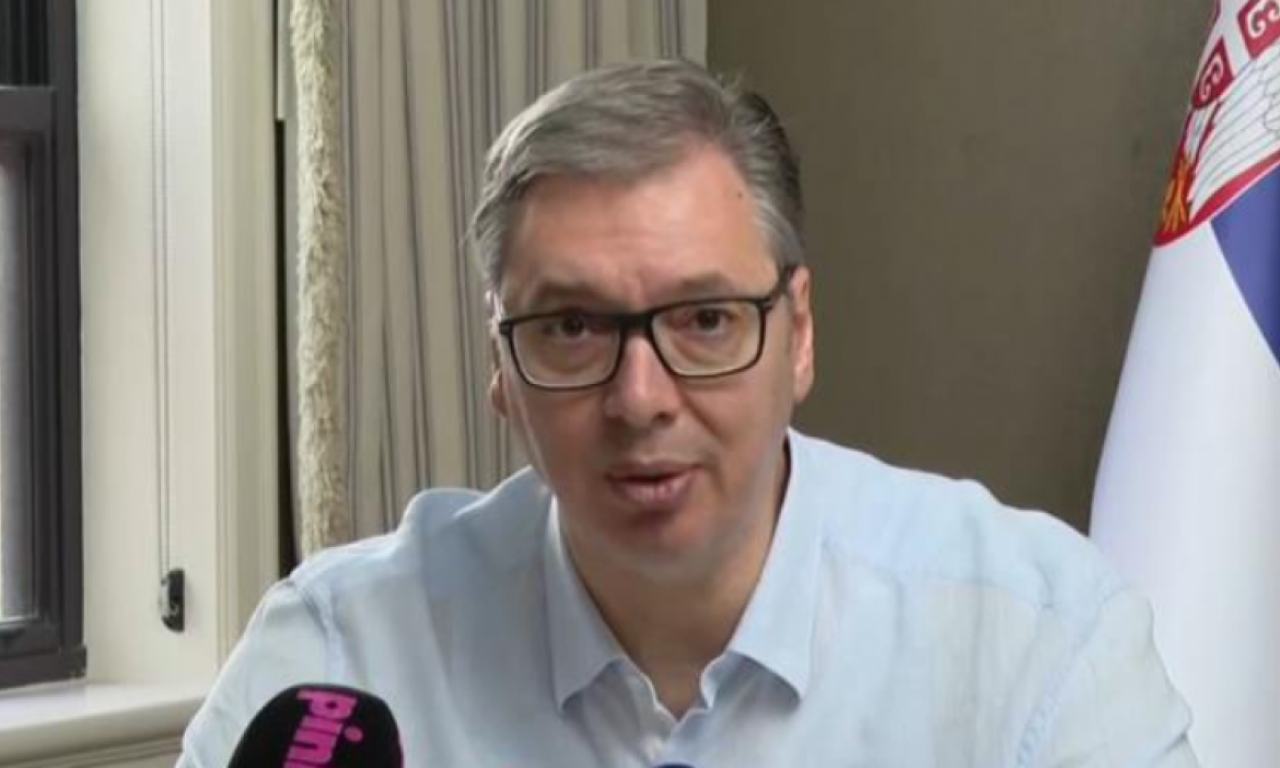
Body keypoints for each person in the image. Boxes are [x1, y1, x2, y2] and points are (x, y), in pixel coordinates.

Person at [178, 59, 1198, 766]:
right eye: (571, 328)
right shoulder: (343, 655)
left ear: (798, 335)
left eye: (705, 319)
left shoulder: (1034, 641)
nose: (639, 399)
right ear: (500, 369)